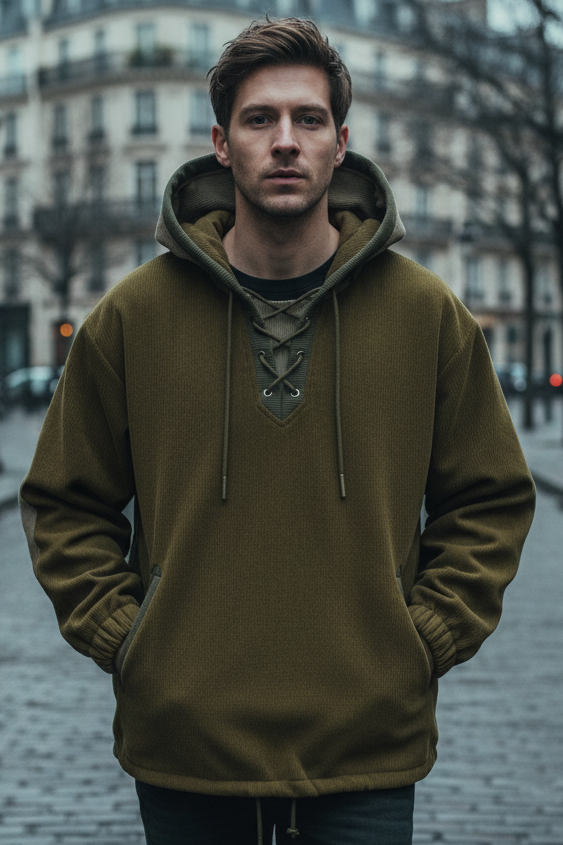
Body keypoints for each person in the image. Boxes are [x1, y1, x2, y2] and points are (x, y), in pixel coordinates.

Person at [20, 17, 535, 845]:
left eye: (308, 119)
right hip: (185, 742)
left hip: (367, 744)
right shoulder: (128, 318)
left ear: (342, 142)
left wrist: (425, 635)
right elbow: (63, 500)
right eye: (260, 120)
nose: (285, 141)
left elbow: (492, 495)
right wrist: (131, 640)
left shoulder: (428, 316)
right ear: (222, 144)